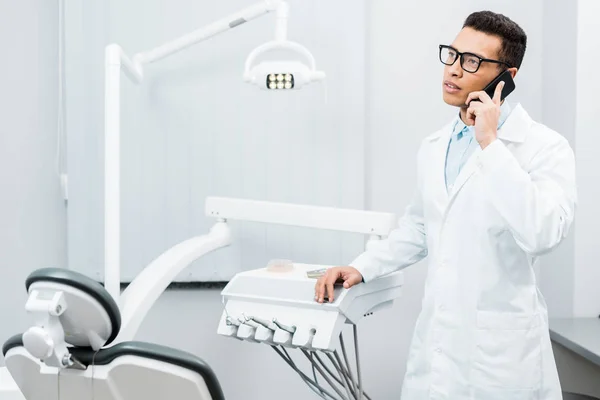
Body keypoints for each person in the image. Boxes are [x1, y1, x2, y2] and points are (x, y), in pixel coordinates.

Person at [314, 10, 577, 400]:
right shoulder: (436, 145)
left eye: (471, 61)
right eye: (451, 55)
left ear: (508, 76)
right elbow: (419, 227)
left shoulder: (544, 147)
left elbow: (542, 232)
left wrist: (491, 143)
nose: (452, 70)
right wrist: (361, 267)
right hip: (437, 353)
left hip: (502, 360)